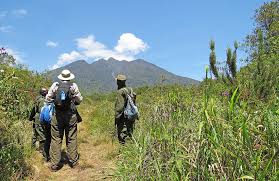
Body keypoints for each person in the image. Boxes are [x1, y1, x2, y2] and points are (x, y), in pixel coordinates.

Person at [46, 69, 83, 171]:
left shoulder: (55, 86)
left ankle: (54, 165)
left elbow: (48, 99)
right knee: (71, 138)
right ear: (70, 77)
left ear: (61, 77)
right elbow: (79, 99)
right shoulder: (73, 86)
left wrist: (55, 101)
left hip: (57, 115)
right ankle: (73, 162)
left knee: (56, 138)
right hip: (70, 116)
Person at [29, 88, 51, 161]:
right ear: (44, 93)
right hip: (39, 119)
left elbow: (33, 109)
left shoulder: (38, 99)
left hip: (36, 119)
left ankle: (32, 150)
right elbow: (43, 112)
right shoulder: (42, 100)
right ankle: (44, 155)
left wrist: (30, 117)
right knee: (42, 137)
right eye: (46, 91)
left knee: (35, 134)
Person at [115, 74, 137, 144]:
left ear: (118, 82)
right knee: (130, 133)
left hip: (123, 117)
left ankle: (124, 152)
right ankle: (131, 151)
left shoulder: (120, 91)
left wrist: (116, 118)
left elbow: (120, 107)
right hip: (131, 116)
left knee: (123, 135)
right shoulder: (130, 89)